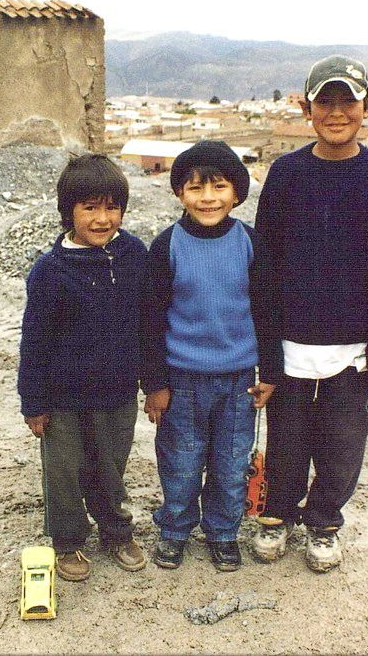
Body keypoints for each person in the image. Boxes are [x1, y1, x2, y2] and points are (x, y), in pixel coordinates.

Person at [251, 55, 368, 572]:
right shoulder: (286, 174)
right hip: (291, 346)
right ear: (306, 107)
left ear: (367, 107)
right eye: (326, 101)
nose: (336, 112)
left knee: (341, 450)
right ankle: (276, 515)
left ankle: (323, 523)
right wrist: (266, 349)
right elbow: (266, 266)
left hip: (355, 351)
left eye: (348, 101)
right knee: (288, 446)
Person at [143, 140, 282, 572]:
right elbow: (149, 321)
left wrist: (271, 372)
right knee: (181, 462)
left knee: (230, 464)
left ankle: (223, 532)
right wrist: (155, 384)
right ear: (179, 193)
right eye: (196, 188)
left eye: (219, 187)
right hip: (182, 382)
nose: (207, 198)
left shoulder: (251, 245)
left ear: (237, 193)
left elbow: (268, 312)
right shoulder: (166, 247)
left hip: (239, 380)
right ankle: (175, 530)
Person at [17, 154, 148, 582]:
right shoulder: (50, 272)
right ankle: (68, 541)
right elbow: (34, 343)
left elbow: (149, 325)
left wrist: (156, 383)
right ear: (67, 211)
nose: (102, 218)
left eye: (112, 207)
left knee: (110, 467)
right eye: (89, 207)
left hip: (117, 395)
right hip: (62, 401)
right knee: (65, 472)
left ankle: (115, 531)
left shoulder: (133, 255)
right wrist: (33, 403)